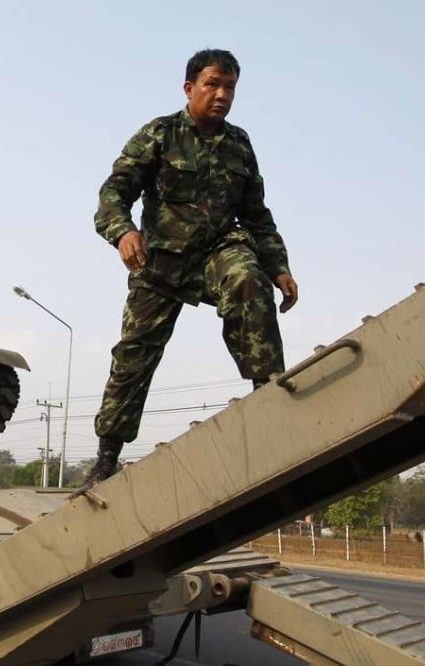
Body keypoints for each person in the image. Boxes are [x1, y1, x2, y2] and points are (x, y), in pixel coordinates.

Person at [83, 49, 299, 490]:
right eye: (213, 85)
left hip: (217, 251)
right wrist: (123, 232)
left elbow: (256, 215)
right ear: (190, 88)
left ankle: (267, 396)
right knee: (133, 357)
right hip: (159, 261)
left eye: (230, 88)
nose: (222, 95)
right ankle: (106, 458)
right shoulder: (159, 134)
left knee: (247, 278)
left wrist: (279, 267)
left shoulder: (239, 144)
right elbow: (113, 192)